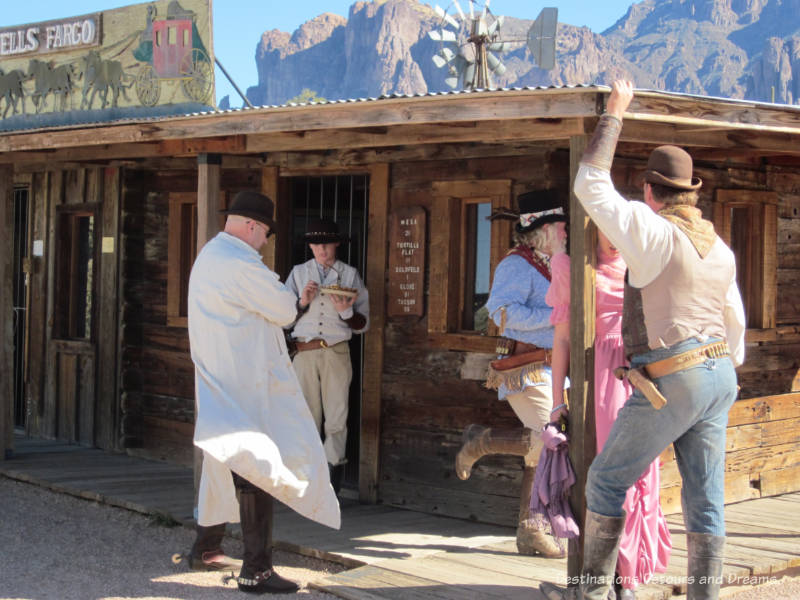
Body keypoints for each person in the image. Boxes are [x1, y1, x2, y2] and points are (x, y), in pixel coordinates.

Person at [540, 80, 745, 600]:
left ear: (651, 193)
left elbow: (590, 184)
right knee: (706, 501)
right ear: (690, 193)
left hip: (675, 375)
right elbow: (734, 321)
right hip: (721, 374)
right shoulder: (718, 246)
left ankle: (589, 594)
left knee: (606, 481)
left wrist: (614, 114)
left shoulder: (651, 230)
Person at [187, 191, 340, 595]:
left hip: (222, 376)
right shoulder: (239, 263)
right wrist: (296, 301)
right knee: (256, 467)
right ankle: (256, 570)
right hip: (243, 382)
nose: (266, 241)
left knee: (224, 461)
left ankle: (205, 548)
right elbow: (284, 310)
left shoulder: (210, 255)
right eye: (266, 233)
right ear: (253, 226)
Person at [545, 230, 672, 599]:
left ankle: (626, 580)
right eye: (608, 228)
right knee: (604, 477)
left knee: (641, 476)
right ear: (593, 227)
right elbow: (563, 338)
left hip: (640, 374)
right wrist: (557, 400)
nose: (616, 238)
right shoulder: (572, 267)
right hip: (600, 378)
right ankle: (603, 582)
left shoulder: (644, 267)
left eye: (624, 230)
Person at [455, 189, 567, 558]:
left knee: (550, 441)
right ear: (544, 230)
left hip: (556, 368)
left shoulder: (557, 263)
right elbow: (501, 314)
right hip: (526, 368)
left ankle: (531, 529)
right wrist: (558, 320)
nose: (567, 232)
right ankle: (482, 442)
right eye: (561, 226)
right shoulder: (516, 265)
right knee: (551, 438)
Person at [286, 218, 369, 494]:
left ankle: (330, 482)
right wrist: (302, 303)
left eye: (327, 244)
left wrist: (346, 312)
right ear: (310, 245)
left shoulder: (350, 274)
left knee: (336, 417)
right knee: (306, 416)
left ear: (336, 244)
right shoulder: (298, 273)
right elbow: (283, 319)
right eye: (316, 244)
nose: (322, 250)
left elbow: (364, 324)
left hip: (336, 352)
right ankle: (307, 480)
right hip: (305, 353)